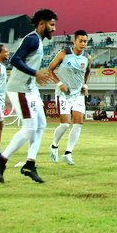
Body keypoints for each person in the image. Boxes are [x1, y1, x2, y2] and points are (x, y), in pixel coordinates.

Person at [0, 9, 59, 185]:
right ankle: (1, 160)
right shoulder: (32, 39)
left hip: (30, 89)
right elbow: (15, 60)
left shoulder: (38, 40)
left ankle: (30, 164)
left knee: (41, 125)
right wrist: (35, 73)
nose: (54, 28)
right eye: (52, 25)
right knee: (29, 128)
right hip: (19, 89)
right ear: (41, 24)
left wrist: (35, 78)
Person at [48, 30, 92, 166]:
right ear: (74, 42)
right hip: (63, 95)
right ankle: (54, 146)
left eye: (85, 41)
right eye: (81, 41)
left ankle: (68, 153)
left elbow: (88, 71)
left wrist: (85, 84)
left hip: (78, 94)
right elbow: (50, 70)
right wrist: (60, 84)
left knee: (78, 123)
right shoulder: (63, 54)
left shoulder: (87, 58)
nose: (83, 44)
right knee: (65, 124)